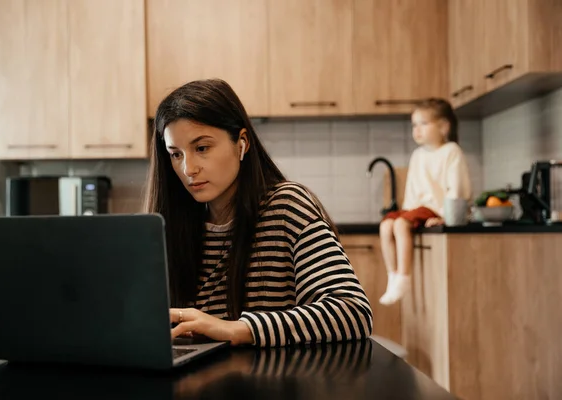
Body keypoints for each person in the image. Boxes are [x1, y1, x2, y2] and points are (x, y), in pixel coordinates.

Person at [144, 79, 372, 347]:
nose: (188, 169)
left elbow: (352, 312)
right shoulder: (174, 223)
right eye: (176, 154)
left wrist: (234, 330)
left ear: (242, 143)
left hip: (272, 382)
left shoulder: (287, 206)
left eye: (202, 148)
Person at [378, 98, 471, 305]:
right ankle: (392, 275)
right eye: (414, 125)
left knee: (400, 224)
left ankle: (404, 277)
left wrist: (446, 218)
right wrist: (406, 211)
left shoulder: (451, 151)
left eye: (423, 124)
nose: (416, 130)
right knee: (386, 224)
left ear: (443, 126)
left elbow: (456, 188)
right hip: (416, 209)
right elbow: (412, 189)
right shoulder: (417, 155)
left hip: (436, 209)